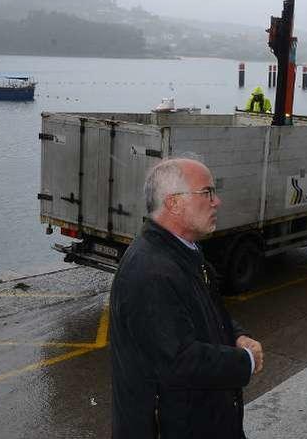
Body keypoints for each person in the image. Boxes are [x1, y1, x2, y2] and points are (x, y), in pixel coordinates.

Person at [110, 158, 264, 438]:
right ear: (174, 204)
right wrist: (245, 361)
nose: (217, 202)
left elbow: (208, 313)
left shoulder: (184, 252)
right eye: (207, 193)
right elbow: (179, 361)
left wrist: (236, 336)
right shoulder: (151, 272)